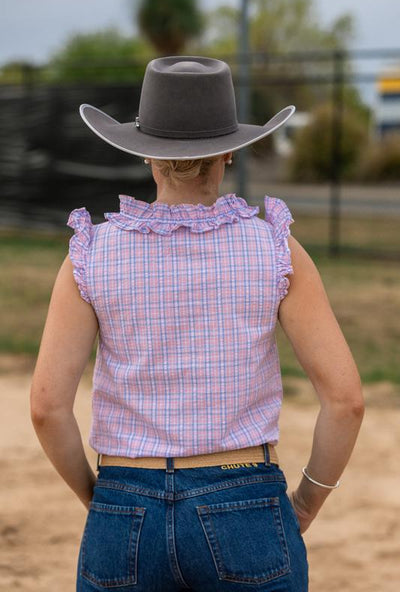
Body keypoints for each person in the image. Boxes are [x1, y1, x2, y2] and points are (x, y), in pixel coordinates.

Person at [30, 56, 365, 592]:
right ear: (229, 149)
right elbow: (346, 400)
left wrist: (104, 500)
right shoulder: (275, 247)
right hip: (246, 500)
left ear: (145, 153)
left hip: (125, 499)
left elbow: (47, 408)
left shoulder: (90, 255)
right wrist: (305, 500)